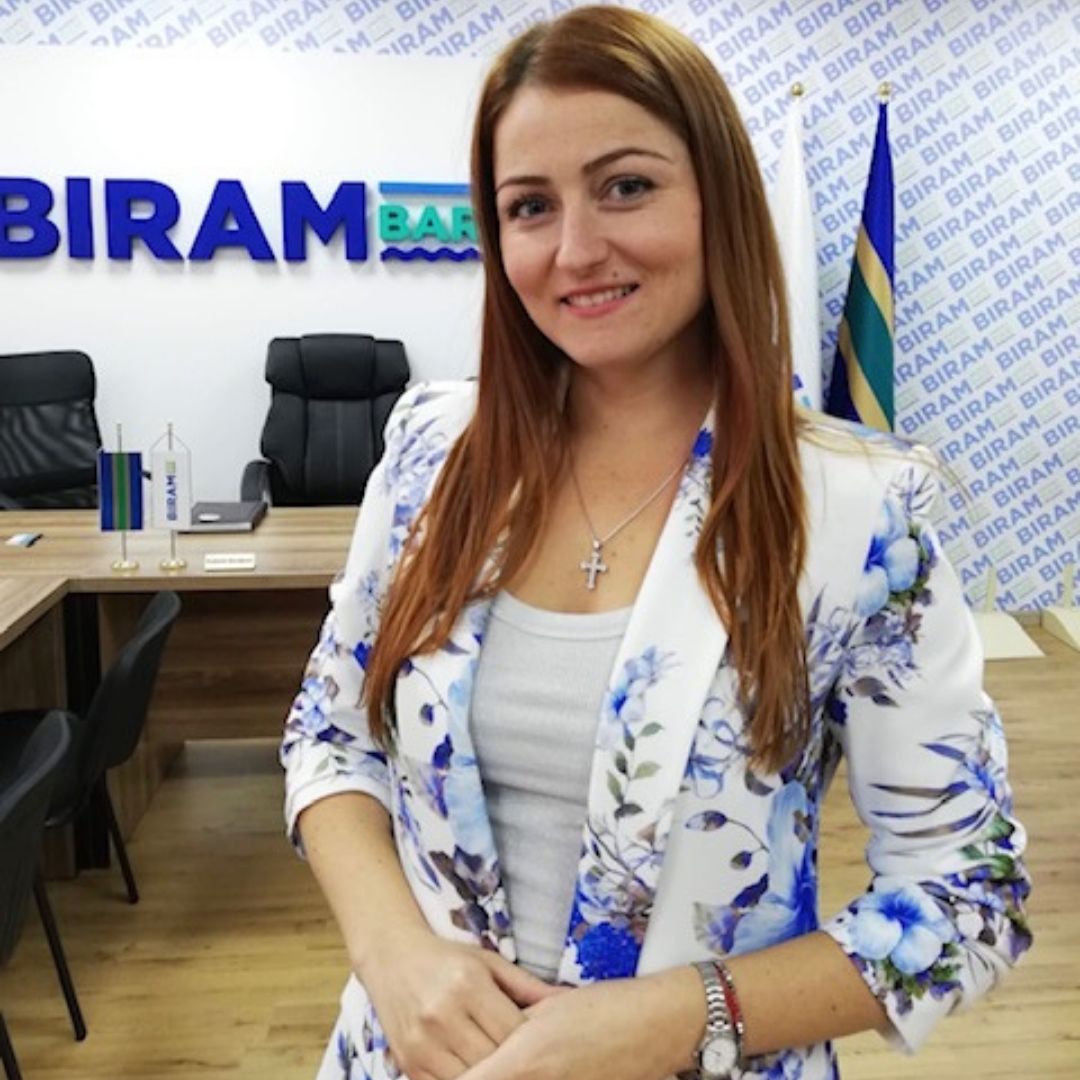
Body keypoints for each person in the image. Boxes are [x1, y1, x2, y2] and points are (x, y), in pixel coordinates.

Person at [281, 8, 1032, 1079]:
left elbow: (965, 893)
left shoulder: (856, 509)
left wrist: (677, 1017)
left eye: (626, 186)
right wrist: (393, 952)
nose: (576, 250)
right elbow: (330, 733)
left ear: (718, 197)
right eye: (529, 206)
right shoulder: (432, 453)